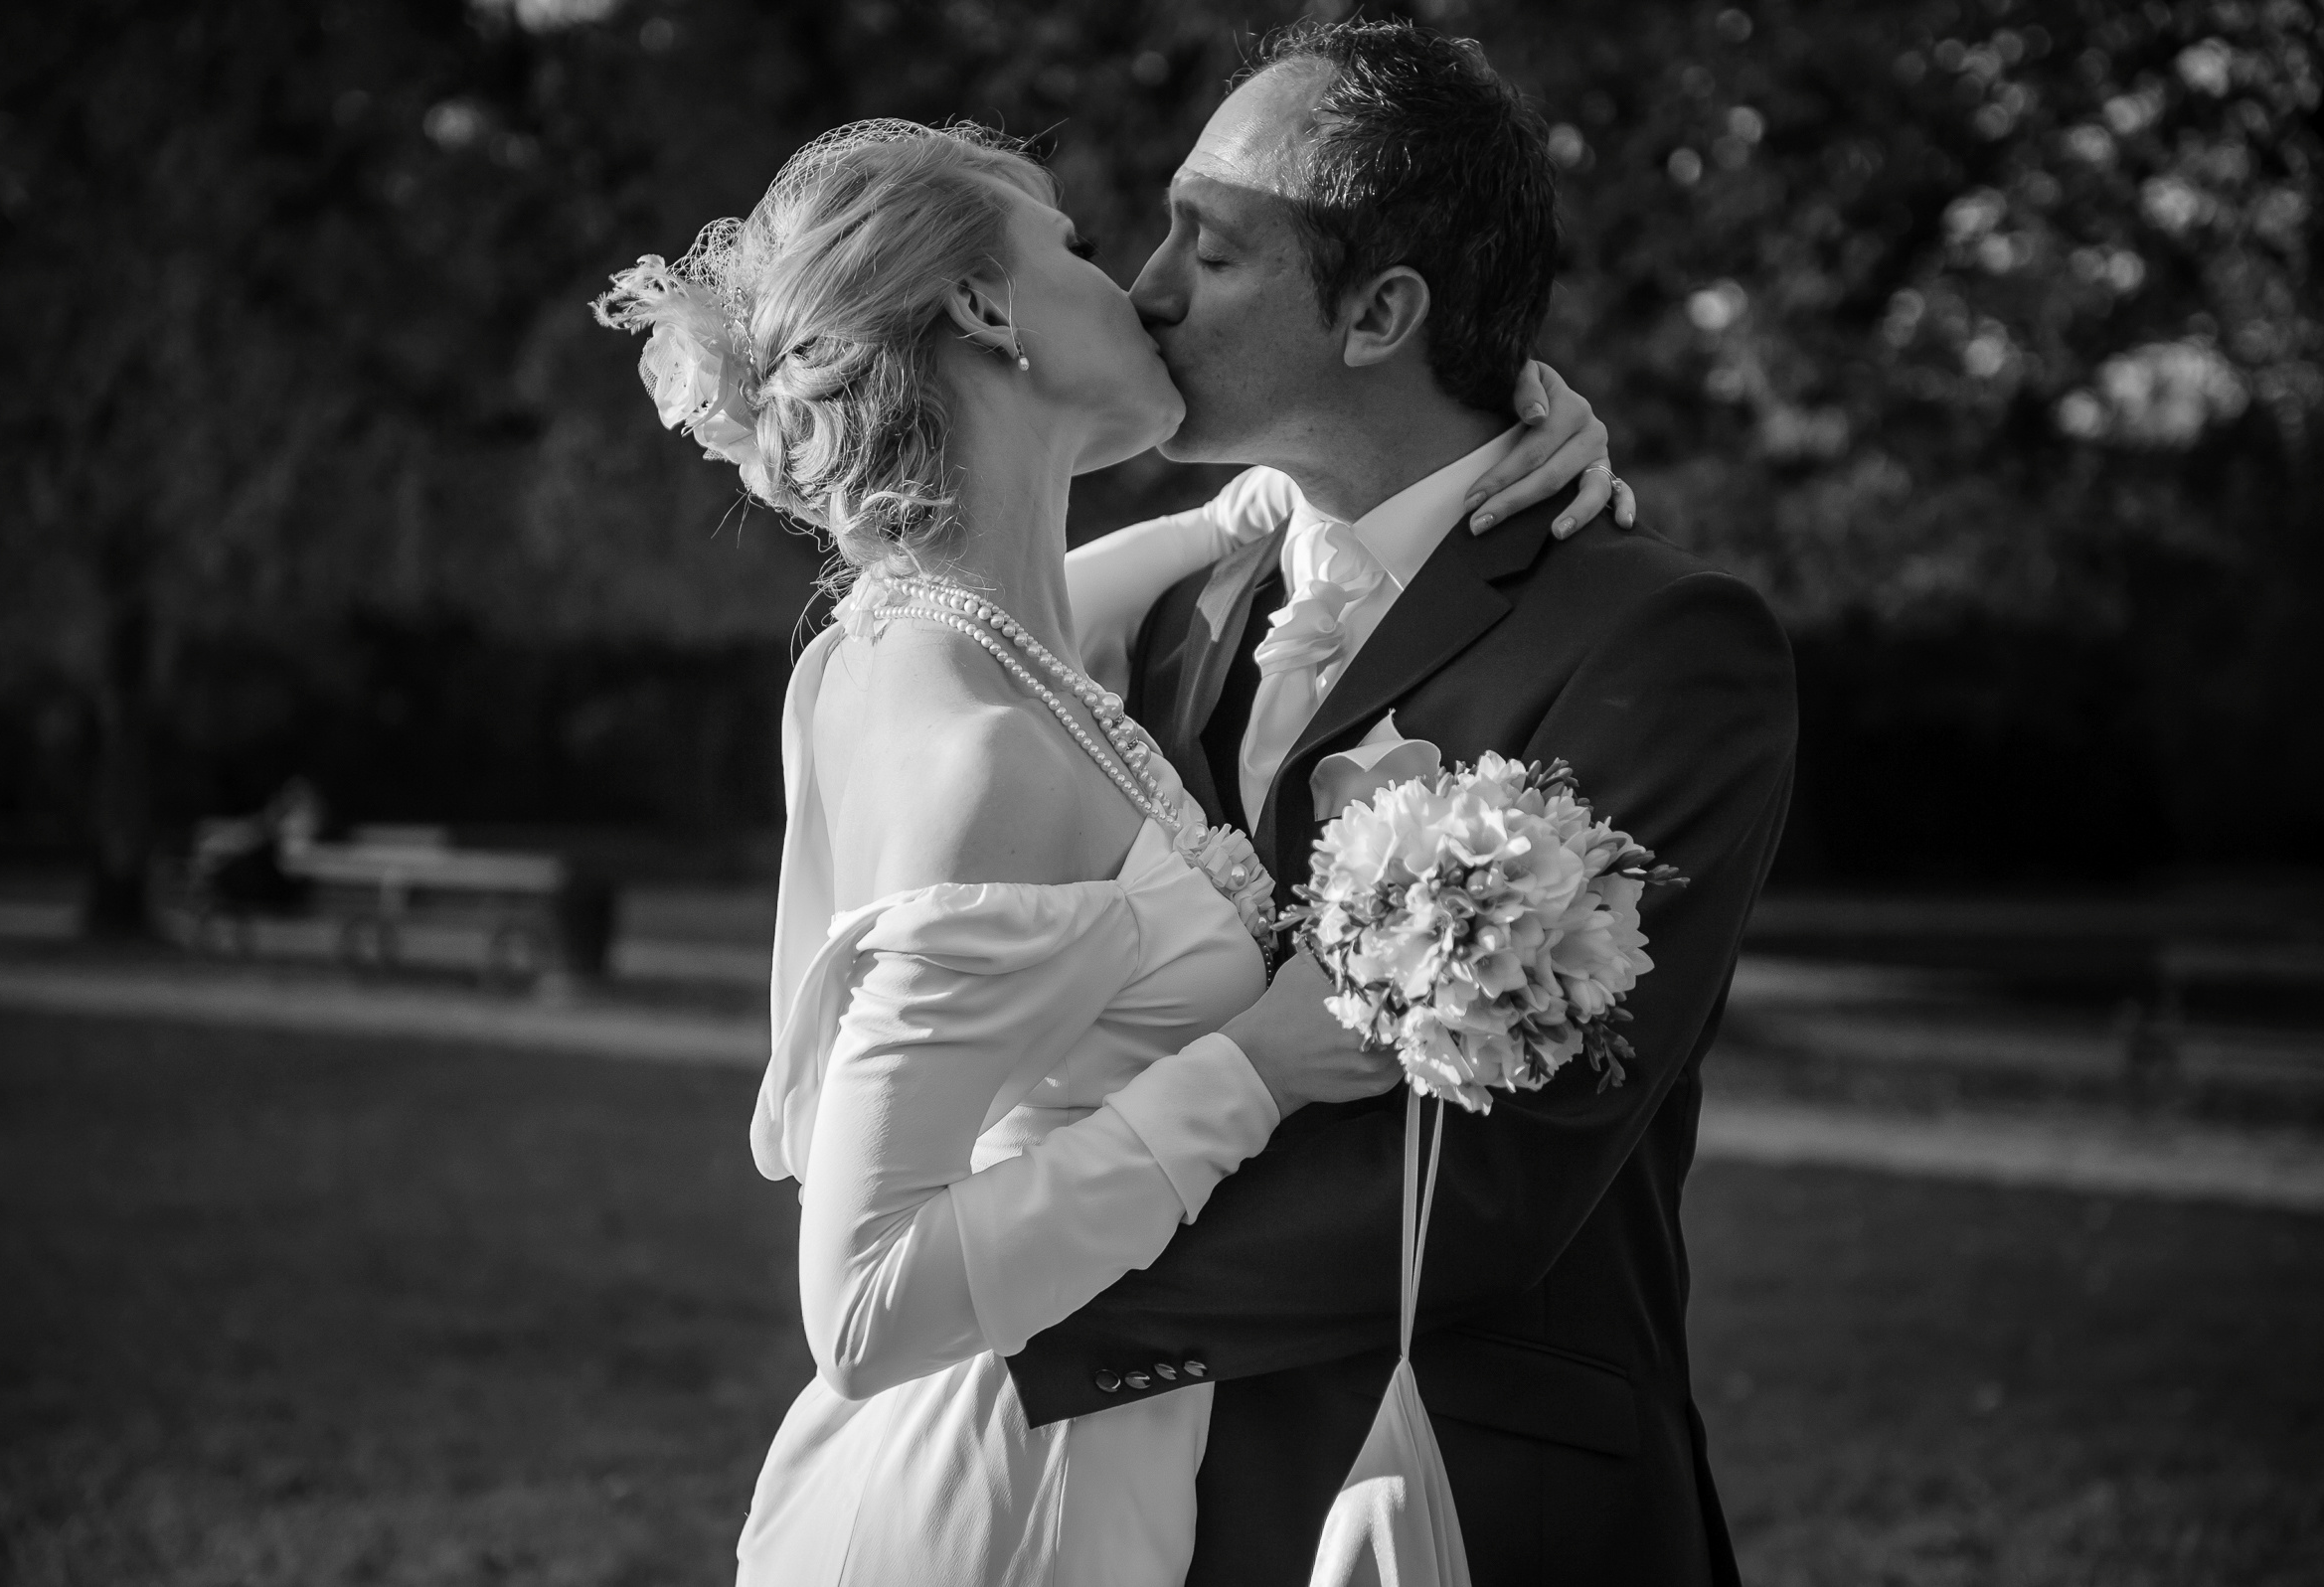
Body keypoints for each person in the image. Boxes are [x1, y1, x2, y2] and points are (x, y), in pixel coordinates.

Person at [592, 81, 1622, 1587]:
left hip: (1091, 1469)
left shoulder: (952, 637)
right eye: (1076, 245)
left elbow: (1221, 532)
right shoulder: (979, 747)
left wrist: (1485, 424)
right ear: (989, 308)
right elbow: (863, 1307)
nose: (1133, 283)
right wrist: (1254, 1071)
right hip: (1003, 1495)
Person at [1005, 21, 1798, 1587]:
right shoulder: (1169, 615)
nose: (1148, 287)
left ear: (1380, 311)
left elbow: (1494, 1182)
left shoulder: (1653, 643)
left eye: (1208, 247)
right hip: (1150, 1512)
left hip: (1474, 1506)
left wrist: (1008, 1293)